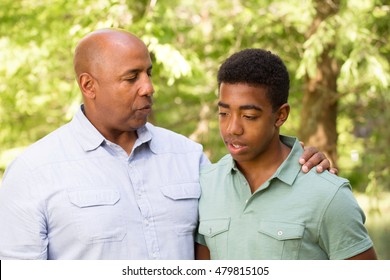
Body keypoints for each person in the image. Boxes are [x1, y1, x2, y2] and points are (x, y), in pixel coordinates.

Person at [0, 29, 333, 260]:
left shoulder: (189, 157)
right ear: (89, 85)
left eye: (148, 73)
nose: (148, 87)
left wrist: (303, 164)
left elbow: (254, 203)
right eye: (132, 78)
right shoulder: (32, 173)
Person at [195, 49, 377, 260]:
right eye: (224, 113)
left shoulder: (328, 195)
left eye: (249, 116)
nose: (232, 128)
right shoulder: (206, 184)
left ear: (280, 115)